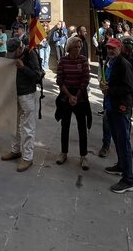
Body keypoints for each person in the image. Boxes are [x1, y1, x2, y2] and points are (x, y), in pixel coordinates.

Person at [1, 37, 43, 172]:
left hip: (27, 94)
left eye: (13, 53)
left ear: (20, 48)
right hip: (14, 93)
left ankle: (28, 157)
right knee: (14, 123)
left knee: (28, 127)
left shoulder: (31, 53)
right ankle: (15, 150)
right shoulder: (14, 53)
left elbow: (38, 75)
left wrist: (23, 67)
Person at [100, 37, 133, 193]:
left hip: (121, 108)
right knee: (117, 139)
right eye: (108, 48)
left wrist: (110, 90)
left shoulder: (124, 64)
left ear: (120, 48)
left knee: (123, 142)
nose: (110, 50)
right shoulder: (111, 62)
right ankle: (121, 165)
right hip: (111, 106)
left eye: (113, 48)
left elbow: (129, 88)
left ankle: (128, 180)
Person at [55, 36, 91, 170]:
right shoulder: (63, 61)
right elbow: (60, 79)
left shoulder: (83, 60)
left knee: (82, 126)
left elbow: (85, 78)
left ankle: (83, 155)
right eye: (76, 46)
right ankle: (63, 152)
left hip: (80, 96)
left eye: (80, 46)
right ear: (69, 48)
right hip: (66, 96)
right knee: (65, 125)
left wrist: (77, 96)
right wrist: (69, 96)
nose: (78, 49)